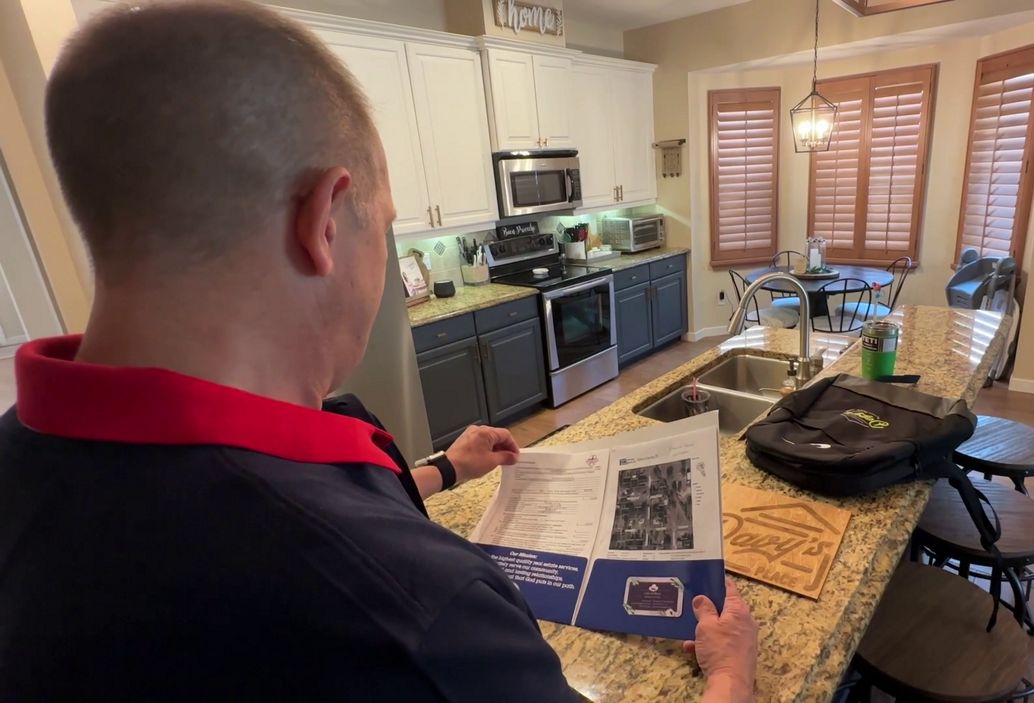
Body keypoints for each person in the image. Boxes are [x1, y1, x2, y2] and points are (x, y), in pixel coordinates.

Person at [0, 1, 758, 701]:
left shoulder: (28, 468)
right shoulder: (423, 606)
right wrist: (730, 670)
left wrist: (441, 471)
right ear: (326, 221)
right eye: (386, 224)